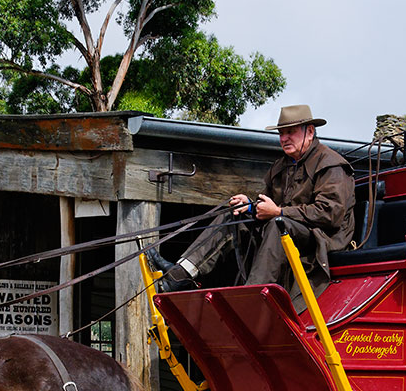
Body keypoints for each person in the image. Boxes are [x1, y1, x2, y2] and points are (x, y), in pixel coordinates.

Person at [149, 104, 355, 312]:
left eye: (290, 132)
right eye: (281, 133)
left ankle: (252, 299)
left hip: (322, 240)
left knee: (278, 224)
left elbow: (330, 214)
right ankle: (180, 275)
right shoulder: (281, 166)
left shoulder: (331, 165)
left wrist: (279, 212)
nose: (284, 138)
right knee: (236, 214)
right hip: (286, 232)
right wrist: (251, 205)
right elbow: (268, 204)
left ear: (309, 131)